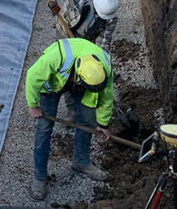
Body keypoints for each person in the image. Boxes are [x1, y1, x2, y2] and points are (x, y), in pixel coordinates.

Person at [25, 37, 114, 200]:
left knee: (88, 121)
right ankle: (39, 177)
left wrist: (103, 123)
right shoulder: (56, 57)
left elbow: (106, 98)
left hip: (84, 87)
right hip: (53, 85)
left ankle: (81, 162)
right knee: (44, 128)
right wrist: (33, 105)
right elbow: (32, 76)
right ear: (78, 76)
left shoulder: (104, 68)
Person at [43, 0, 118, 52]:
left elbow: (103, 42)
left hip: (84, 43)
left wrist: (98, 57)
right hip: (64, 31)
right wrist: (51, 0)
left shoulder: (110, 16)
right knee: (61, 55)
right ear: (95, 5)